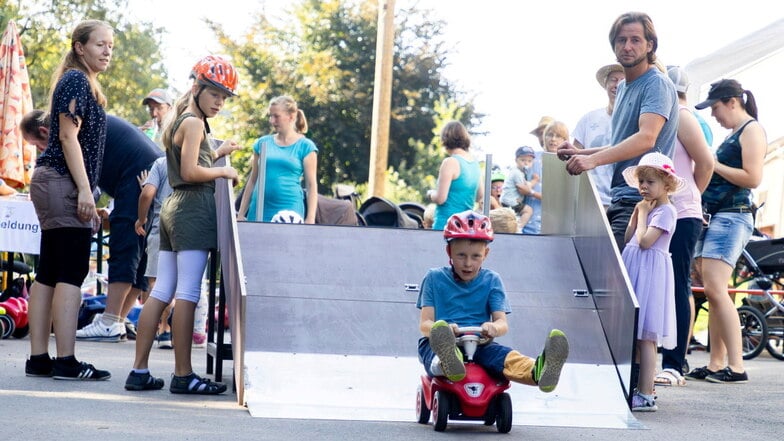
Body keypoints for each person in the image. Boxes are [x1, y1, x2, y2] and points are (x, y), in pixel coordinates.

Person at [125, 55, 240, 394]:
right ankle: (183, 374)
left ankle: (139, 371)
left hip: (173, 208)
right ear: (197, 87)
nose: (220, 102)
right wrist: (224, 170)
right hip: (192, 208)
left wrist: (218, 153)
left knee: (161, 291)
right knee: (188, 293)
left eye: (224, 97)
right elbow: (191, 172)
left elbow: (187, 162)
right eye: (215, 94)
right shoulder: (193, 123)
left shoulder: (181, 120)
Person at [24, 19, 114, 381]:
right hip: (62, 181)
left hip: (51, 180)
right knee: (71, 271)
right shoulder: (76, 80)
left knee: (48, 271)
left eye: (110, 46)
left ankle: (39, 359)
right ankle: (65, 360)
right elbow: (67, 136)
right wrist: (84, 191)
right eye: (100, 45)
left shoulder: (76, 81)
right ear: (80, 47)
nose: (107, 51)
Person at [557, 12, 679, 252]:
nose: (627, 46)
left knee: (616, 280)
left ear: (650, 45)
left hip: (644, 197)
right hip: (621, 196)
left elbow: (646, 138)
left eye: (635, 40)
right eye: (621, 40)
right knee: (609, 273)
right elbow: (621, 143)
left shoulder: (656, 83)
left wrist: (592, 160)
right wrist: (578, 152)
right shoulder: (623, 87)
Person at [416, 210, 569, 392]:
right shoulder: (434, 278)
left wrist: (493, 328)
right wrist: (441, 330)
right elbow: (425, 324)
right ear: (449, 251)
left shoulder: (492, 280)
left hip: (480, 343)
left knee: (505, 357)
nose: (468, 263)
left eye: (476, 256)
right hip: (439, 343)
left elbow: (502, 323)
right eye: (461, 255)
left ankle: (539, 370)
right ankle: (447, 361)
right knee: (435, 353)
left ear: (486, 254)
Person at [685, 79, 767, 384]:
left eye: (716, 108)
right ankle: (717, 363)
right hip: (717, 215)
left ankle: (737, 366)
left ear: (733, 101)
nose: (715, 116)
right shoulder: (735, 133)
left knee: (717, 289)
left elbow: (753, 177)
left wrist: (713, 164)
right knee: (713, 291)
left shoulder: (752, 130)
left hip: (734, 215)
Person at [75, 115, 163, 343]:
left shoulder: (74, 127)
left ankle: (109, 321)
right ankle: (117, 321)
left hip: (138, 177)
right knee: (140, 249)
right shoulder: (98, 122)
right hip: (149, 174)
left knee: (126, 242)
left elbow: (83, 173)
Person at [653, 66, 714, 387]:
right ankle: (655, 356)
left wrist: (692, 197)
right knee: (656, 283)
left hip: (683, 212)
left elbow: (705, 164)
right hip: (658, 210)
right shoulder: (658, 116)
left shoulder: (684, 115)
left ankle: (675, 363)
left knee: (677, 284)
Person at [620, 152, 685, 411]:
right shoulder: (646, 208)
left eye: (650, 182)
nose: (644, 187)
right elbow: (629, 238)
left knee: (646, 336)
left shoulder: (667, 211)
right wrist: (638, 214)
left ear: (666, 184)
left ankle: (646, 393)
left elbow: (646, 242)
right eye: (642, 182)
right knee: (635, 336)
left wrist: (645, 215)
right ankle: (637, 386)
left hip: (650, 274)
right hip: (637, 269)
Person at [237, 95, 318, 223]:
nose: (272, 121)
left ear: (291, 116)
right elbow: (253, 180)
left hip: (290, 210)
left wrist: (311, 218)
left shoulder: (306, 146)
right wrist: (241, 213)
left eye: (276, 116)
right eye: (270, 116)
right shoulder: (262, 143)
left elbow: (311, 185)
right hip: (260, 210)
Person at [134, 155, 174, 349]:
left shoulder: (162, 163)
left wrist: (141, 220)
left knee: (155, 283)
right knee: (178, 286)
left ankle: (155, 329)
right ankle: (167, 329)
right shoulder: (202, 160)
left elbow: (148, 194)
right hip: (188, 230)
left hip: (161, 227)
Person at [572, 63, 625, 209]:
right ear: (606, 85)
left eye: (622, 80)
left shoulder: (635, 121)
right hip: (590, 200)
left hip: (622, 201)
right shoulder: (588, 119)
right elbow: (574, 154)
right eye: (613, 80)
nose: (617, 85)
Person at [426, 121, 483, 230]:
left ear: (445, 139)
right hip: (465, 228)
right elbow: (480, 197)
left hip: (445, 226)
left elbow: (441, 199)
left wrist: (430, 193)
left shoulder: (450, 162)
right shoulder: (475, 164)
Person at [500, 146, 539, 232]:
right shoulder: (516, 173)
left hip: (509, 200)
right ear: (516, 160)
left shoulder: (520, 172)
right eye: (523, 160)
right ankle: (518, 228)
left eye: (529, 161)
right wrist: (535, 180)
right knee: (528, 210)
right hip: (510, 201)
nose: (526, 163)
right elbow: (524, 188)